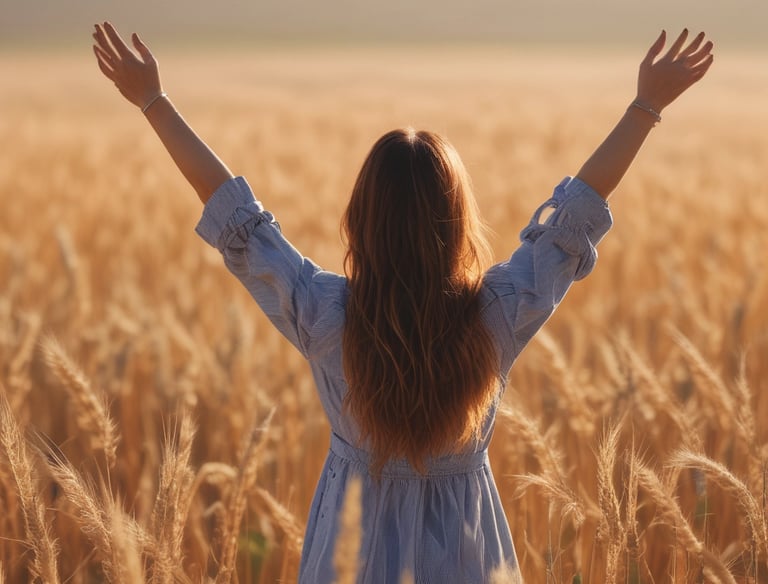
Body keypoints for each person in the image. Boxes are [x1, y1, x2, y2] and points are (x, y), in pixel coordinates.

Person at [92, 22, 713, 583]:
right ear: (458, 223)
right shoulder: (496, 313)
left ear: (362, 220)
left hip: (350, 548)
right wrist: (646, 106)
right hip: (468, 551)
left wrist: (154, 102)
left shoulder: (324, 313)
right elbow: (573, 219)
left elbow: (239, 219)